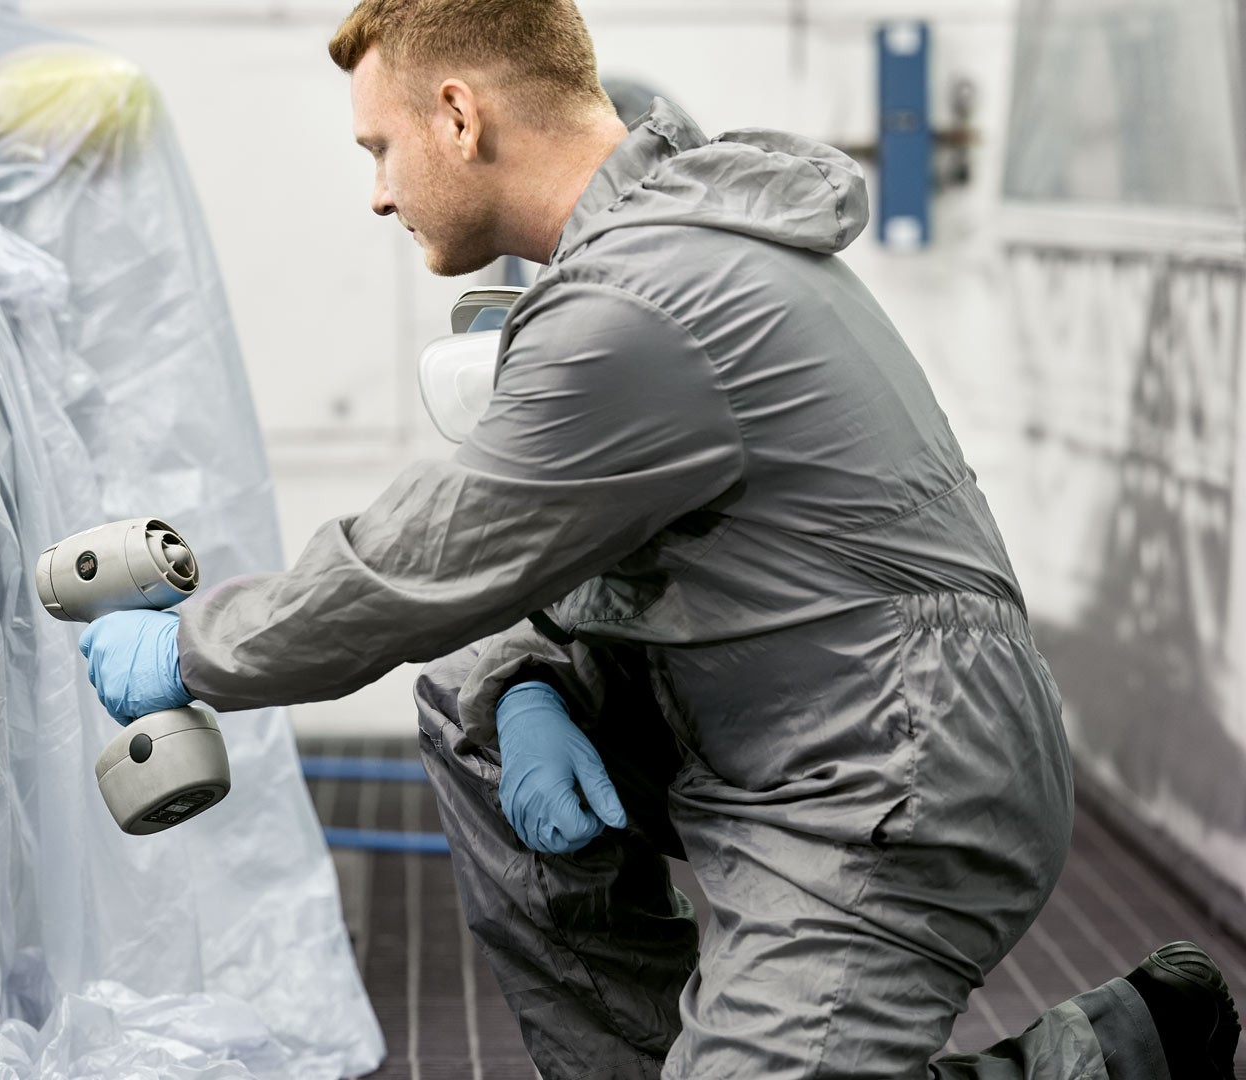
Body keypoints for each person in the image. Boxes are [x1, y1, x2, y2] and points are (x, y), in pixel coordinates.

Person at [75, 1, 1243, 1076]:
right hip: (795, 712)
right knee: (484, 696)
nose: (379, 194)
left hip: (894, 772)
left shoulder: (642, 308)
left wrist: (191, 651)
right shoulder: (652, 263)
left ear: (459, 116)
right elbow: (551, 576)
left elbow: (420, 563)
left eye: (378, 150)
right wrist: (528, 686)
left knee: (464, 649)